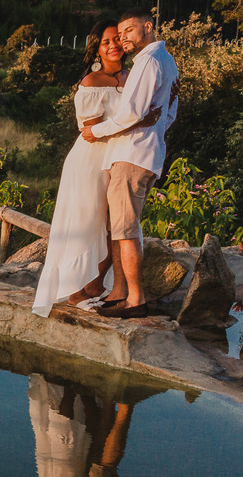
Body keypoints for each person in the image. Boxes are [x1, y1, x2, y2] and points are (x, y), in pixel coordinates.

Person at [32, 20, 159, 318]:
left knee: (114, 227)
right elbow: (90, 131)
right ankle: (77, 291)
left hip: (120, 159)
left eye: (117, 39)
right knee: (90, 224)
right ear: (96, 50)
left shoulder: (132, 77)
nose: (114, 45)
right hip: (90, 161)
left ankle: (98, 285)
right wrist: (139, 121)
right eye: (106, 42)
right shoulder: (91, 83)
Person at [80, 7, 180, 319]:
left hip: (131, 154)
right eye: (120, 33)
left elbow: (132, 114)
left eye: (129, 31)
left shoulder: (147, 61)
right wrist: (152, 128)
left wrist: (96, 131)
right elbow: (169, 114)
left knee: (125, 231)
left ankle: (135, 300)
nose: (123, 39)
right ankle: (121, 293)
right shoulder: (166, 60)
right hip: (147, 153)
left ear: (148, 27)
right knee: (123, 227)